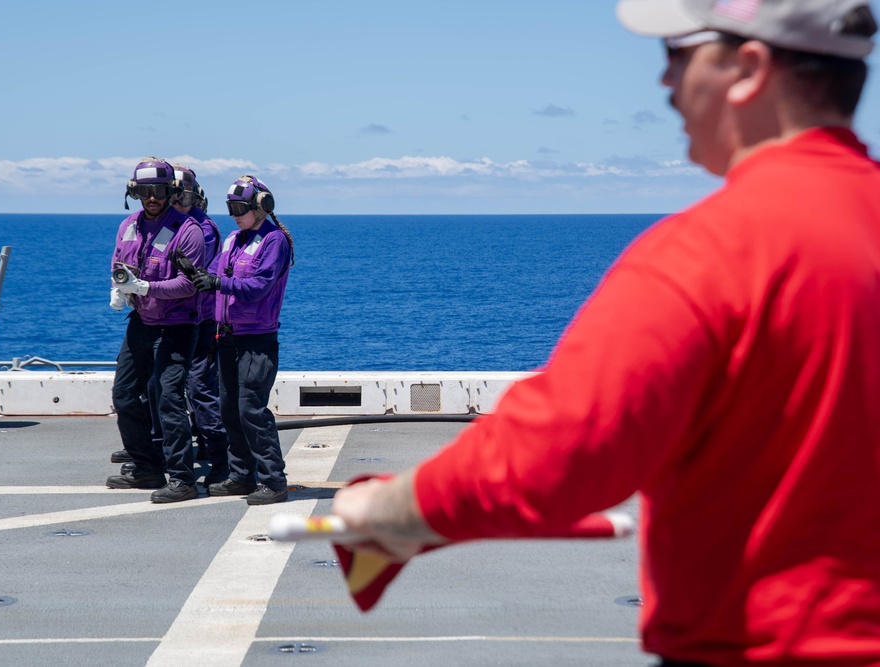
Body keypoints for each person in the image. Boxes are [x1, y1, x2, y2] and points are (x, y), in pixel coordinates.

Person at [332, 1, 880, 665]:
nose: (664, 83)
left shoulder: (712, 251)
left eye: (675, 54)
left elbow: (557, 453)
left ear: (748, 66)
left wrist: (389, 512)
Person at [188, 175, 294, 506]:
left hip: (257, 338)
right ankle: (241, 474)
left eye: (240, 208)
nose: (234, 214)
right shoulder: (233, 239)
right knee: (229, 408)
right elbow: (217, 272)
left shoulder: (274, 241)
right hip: (228, 336)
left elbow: (259, 286)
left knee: (251, 408)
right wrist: (198, 275)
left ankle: (273, 480)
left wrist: (218, 283)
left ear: (260, 208)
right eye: (231, 208)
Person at [105, 157, 205, 504]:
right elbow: (119, 261)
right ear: (135, 192)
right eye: (145, 191)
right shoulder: (129, 225)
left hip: (176, 325)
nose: (152, 197)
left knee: (168, 398)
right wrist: (120, 286)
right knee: (124, 393)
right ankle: (146, 465)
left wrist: (146, 288)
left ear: (170, 191)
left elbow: (189, 285)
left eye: (159, 191)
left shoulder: (187, 231)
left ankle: (182, 478)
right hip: (142, 322)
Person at [171, 164, 230, 483]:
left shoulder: (201, 230)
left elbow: (195, 277)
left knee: (200, 388)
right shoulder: (174, 226)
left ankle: (219, 454)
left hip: (201, 320)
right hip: (177, 318)